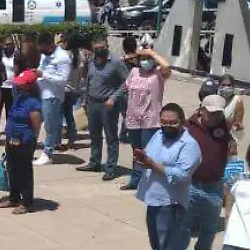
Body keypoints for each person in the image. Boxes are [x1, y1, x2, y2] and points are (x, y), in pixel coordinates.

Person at [131, 103, 202, 250]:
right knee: (157, 242)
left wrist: (153, 165)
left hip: (171, 202)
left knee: (169, 246)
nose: (167, 126)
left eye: (173, 123)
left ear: (182, 122)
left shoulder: (189, 146)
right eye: (164, 122)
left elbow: (182, 175)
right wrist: (142, 159)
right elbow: (150, 155)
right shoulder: (158, 135)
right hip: (153, 197)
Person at [177, 95, 233, 250]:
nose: (215, 118)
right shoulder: (187, 127)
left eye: (219, 114)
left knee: (209, 227)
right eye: (211, 114)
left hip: (214, 186)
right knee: (184, 224)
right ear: (202, 110)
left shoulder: (223, 126)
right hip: (191, 183)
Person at [120, 46, 172, 190]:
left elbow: (166, 65)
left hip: (151, 120)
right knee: (136, 151)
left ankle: (149, 180)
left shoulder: (158, 74)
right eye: (142, 59)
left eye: (147, 59)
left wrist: (152, 53)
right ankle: (135, 180)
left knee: (149, 152)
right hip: (133, 119)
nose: (145, 61)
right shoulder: (134, 72)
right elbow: (127, 88)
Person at [78, 36, 129, 180]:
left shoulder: (116, 63)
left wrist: (114, 98)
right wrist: (85, 100)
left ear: (107, 46)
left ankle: (111, 167)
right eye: (96, 48)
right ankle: (94, 162)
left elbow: (127, 82)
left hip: (108, 105)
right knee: (94, 135)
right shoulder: (92, 62)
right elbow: (88, 81)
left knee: (111, 137)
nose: (99, 50)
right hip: (92, 103)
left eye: (102, 47)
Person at [2, 70, 44, 214]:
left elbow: (36, 125)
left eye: (21, 85)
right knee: (11, 169)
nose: (18, 87)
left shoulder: (33, 103)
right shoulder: (19, 97)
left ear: (29, 86)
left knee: (24, 172)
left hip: (24, 141)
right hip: (11, 138)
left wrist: (30, 141)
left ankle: (26, 202)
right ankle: (14, 197)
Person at [33, 32, 71, 166]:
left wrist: (43, 74)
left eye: (43, 48)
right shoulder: (45, 55)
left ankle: (48, 153)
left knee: (50, 125)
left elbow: (62, 80)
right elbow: (40, 68)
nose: (42, 51)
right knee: (35, 123)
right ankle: (34, 150)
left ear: (50, 45)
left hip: (52, 96)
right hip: (40, 93)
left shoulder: (63, 58)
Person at [0, 36, 19, 137]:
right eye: (6, 44)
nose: (8, 46)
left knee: (10, 109)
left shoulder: (16, 55)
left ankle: (9, 128)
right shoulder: (0, 55)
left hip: (12, 86)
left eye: (10, 44)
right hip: (1, 86)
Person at [218, 74, 245, 150]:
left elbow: (238, 123)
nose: (226, 87)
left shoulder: (237, 101)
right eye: (223, 85)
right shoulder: (216, 98)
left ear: (233, 87)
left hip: (229, 139)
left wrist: (232, 141)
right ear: (219, 86)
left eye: (229, 85)